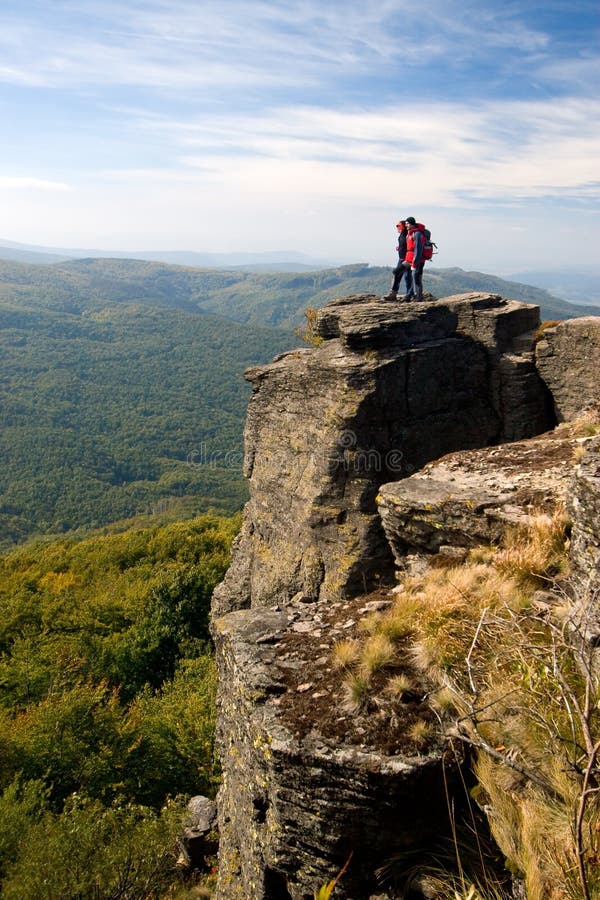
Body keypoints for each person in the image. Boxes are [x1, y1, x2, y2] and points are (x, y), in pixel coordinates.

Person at [381, 220, 413, 301]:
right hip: (402, 259)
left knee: (397, 273)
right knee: (405, 276)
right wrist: (399, 248)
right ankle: (408, 294)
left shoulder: (406, 235)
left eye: (398, 226)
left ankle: (397, 294)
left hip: (406, 259)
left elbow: (410, 247)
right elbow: (405, 246)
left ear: (402, 226)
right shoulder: (403, 235)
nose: (397, 227)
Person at [403, 216, 425, 301]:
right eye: (405, 224)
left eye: (407, 223)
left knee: (417, 278)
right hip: (410, 260)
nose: (406, 225)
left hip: (418, 261)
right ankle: (411, 294)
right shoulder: (411, 233)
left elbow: (418, 249)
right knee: (402, 273)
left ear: (412, 224)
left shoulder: (417, 234)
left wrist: (415, 263)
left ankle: (419, 298)